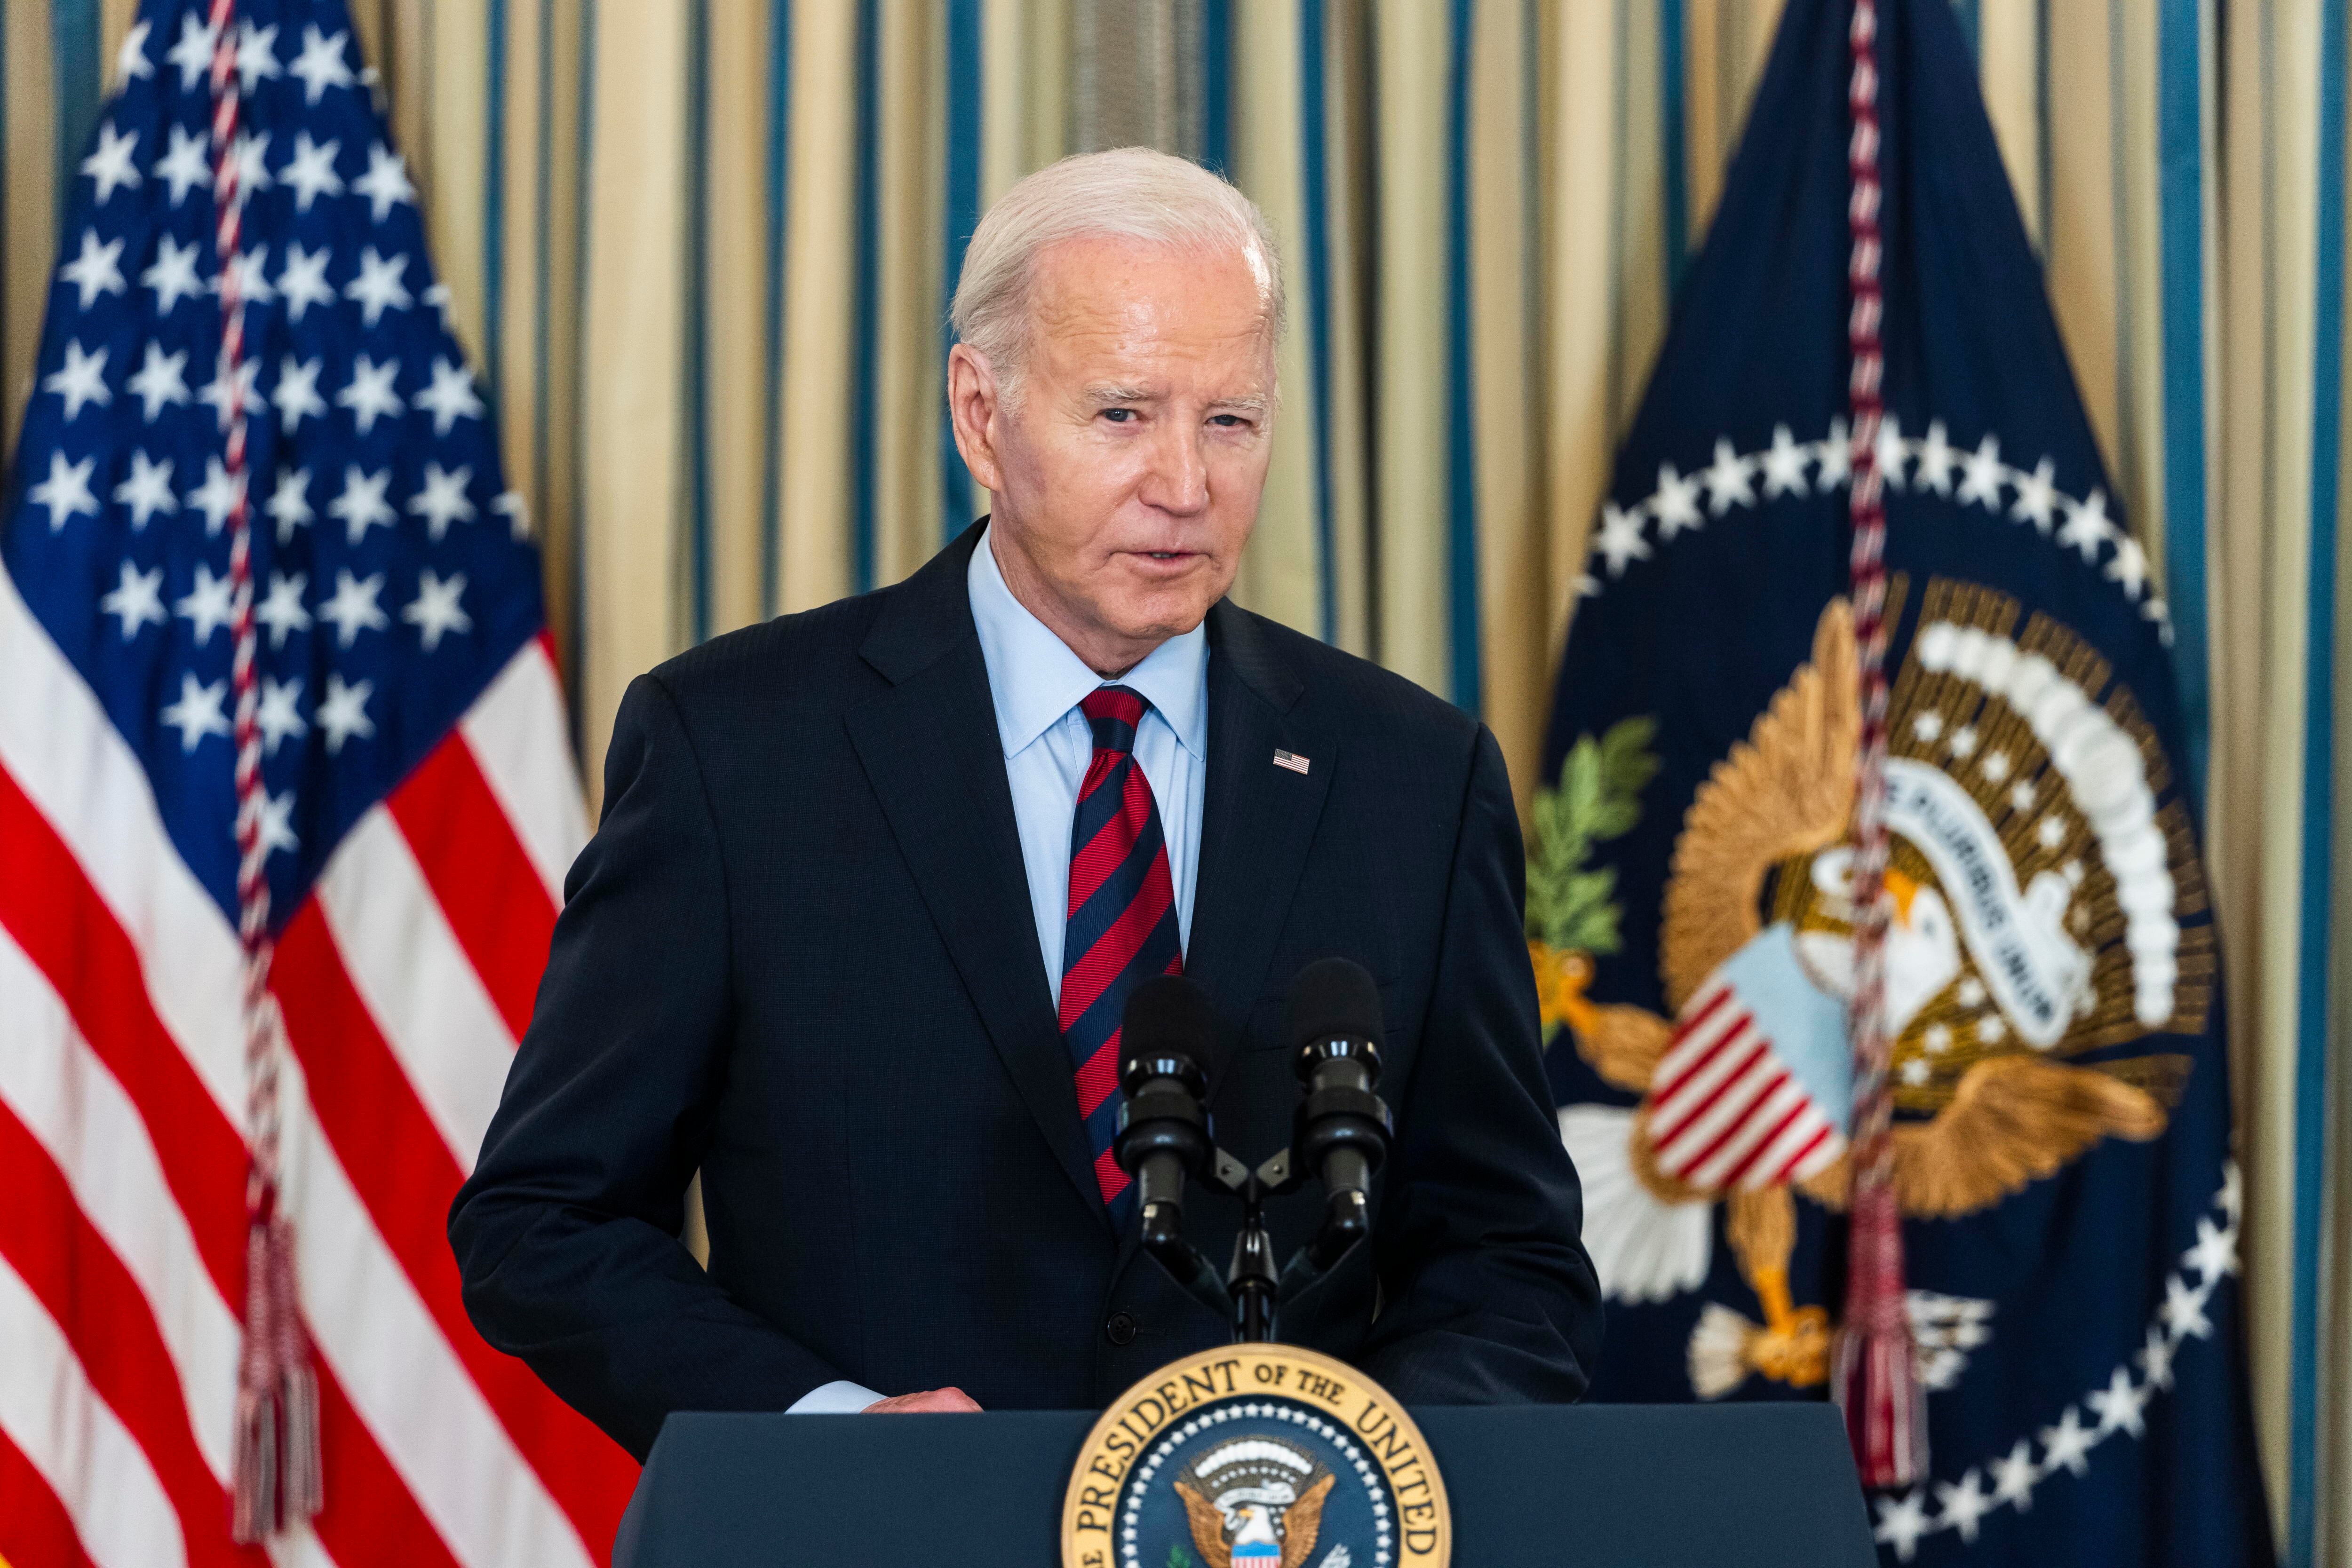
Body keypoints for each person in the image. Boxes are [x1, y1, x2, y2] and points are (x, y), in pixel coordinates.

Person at [449, 147, 1600, 1457]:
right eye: (1122, 414)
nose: (1185, 484)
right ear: (979, 415)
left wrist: (1349, 1460)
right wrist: (831, 1433)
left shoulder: (1412, 775)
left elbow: (1509, 1260)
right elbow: (546, 1220)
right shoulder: (736, 749)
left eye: (1231, 420)